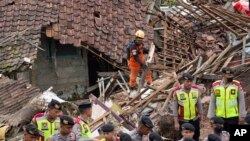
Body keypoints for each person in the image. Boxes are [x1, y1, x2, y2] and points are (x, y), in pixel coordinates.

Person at [207, 67, 246, 132]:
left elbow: (242, 100)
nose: (231, 76)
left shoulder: (237, 84)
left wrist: (242, 115)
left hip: (233, 117)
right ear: (223, 74)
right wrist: (211, 116)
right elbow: (212, 101)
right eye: (229, 75)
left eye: (232, 75)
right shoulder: (215, 85)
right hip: (219, 117)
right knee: (219, 136)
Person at [173, 72, 203, 141]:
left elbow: (199, 106)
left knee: (195, 137)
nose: (189, 83)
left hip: (195, 120)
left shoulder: (195, 90)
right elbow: (175, 109)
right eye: (187, 81)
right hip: (182, 121)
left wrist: (201, 120)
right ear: (183, 81)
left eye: (191, 82)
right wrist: (176, 122)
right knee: (183, 138)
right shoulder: (177, 91)